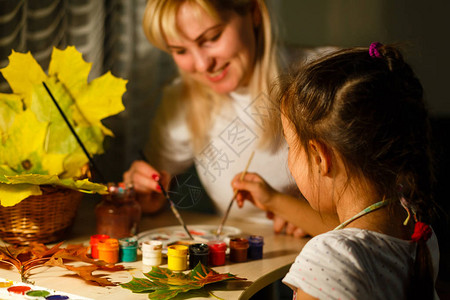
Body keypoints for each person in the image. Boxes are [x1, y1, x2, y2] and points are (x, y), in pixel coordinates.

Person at [240, 42, 440, 299]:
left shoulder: (329, 259)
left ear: (320, 158)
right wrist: (273, 201)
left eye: (290, 146)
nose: (289, 158)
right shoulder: (415, 229)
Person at [123, 0, 339, 236]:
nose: (202, 65)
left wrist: (313, 218)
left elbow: (377, 212)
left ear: (254, 12)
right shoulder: (180, 101)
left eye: (212, 38)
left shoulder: (329, 78)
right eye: (180, 50)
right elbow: (158, 192)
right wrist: (148, 196)